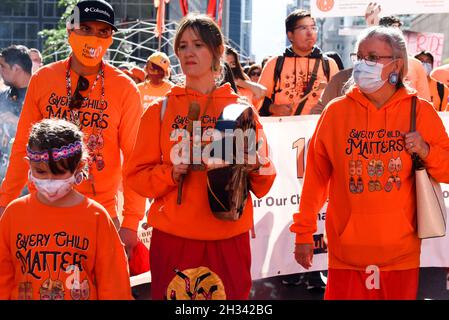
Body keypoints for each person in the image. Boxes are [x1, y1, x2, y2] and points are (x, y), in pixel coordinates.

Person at [291, 26, 449, 300]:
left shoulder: (419, 111)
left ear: (397, 64)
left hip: (400, 257)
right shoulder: (336, 113)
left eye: (373, 57)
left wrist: (425, 149)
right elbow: (316, 178)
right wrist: (304, 232)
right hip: (346, 256)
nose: (363, 64)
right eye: (359, 56)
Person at [126, 14, 276, 300]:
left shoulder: (241, 110)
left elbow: (264, 183)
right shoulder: (159, 110)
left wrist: (253, 161)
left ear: (218, 51)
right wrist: (169, 173)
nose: (189, 52)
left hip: (229, 239)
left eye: (198, 44)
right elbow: (136, 176)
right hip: (174, 240)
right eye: (182, 46)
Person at [0, 0, 146, 258]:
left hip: (100, 212)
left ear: (111, 38)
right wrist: (5, 201)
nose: (94, 38)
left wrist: (131, 222)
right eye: (86, 29)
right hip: (44, 209)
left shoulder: (124, 88)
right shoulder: (44, 79)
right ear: (70, 32)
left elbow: (135, 160)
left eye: (103, 32)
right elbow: (23, 145)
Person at [0, 119, 132, 300]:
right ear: (29, 164)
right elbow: (3, 280)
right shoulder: (14, 214)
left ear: (79, 167)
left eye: (59, 173)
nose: (50, 180)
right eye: (41, 172)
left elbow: (114, 285)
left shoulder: (96, 217)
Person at [258, 9, 339, 116]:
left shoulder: (329, 64)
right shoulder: (275, 63)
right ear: (290, 35)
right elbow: (258, 98)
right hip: (281, 128)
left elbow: (338, 100)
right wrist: (272, 108)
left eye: (313, 28)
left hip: (319, 128)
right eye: (303, 28)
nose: (310, 33)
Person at [378, 16, 431, 101]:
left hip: (408, 113)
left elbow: (425, 100)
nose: (396, 34)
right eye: (392, 29)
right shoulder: (372, 63)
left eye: (398, 30)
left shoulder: (415, 64)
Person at [0, 45, 32, 186]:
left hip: (29, 175)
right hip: (4, 172)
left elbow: (49, 133)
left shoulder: (38, 93)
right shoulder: (3, 95)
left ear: (16, 69)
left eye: (2, 66)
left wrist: (16, 121)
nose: (0, 71)